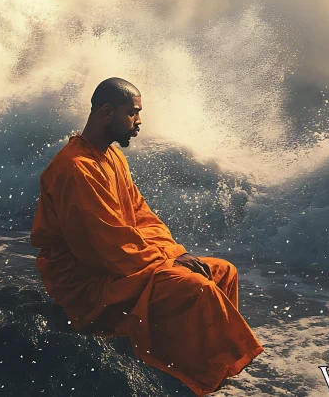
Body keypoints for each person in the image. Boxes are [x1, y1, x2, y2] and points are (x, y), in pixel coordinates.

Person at [30, 77, 264, 396]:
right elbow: (104, 246)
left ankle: (203, 370)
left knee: (222, 271)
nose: (139, 122)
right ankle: (192, 380)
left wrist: (174, 253)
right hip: (90, 283)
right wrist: (164, 263)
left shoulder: (112, 157)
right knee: (197, 289)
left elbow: (141, 215)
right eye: (134, 113)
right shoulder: (75, 167)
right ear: (108, 112)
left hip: (122, 264)